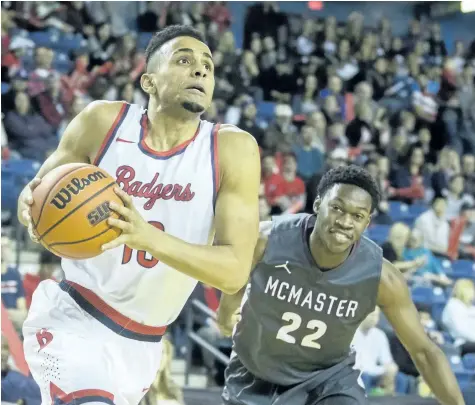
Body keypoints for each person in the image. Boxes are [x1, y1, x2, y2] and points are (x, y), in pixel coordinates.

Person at [17, 25, 260, 405]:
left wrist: (149, 238)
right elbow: (35, 196)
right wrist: (28, 207)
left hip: (144, 346)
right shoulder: (103, 122)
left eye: (207, 67)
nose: (200, 71)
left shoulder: (233, 150)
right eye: (184, 60)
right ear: (149, 80)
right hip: (74, 318)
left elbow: (233, 273)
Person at [217, 166, 464, 405]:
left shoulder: (382, 277)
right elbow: (232, 278)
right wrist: (228, 309)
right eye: (337, 208)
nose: (345, 221)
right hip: (255, 376)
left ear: (367, 223)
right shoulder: (266, 239)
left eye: (357, 216)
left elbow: (424, 352)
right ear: (317, 205)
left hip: (327, 381)